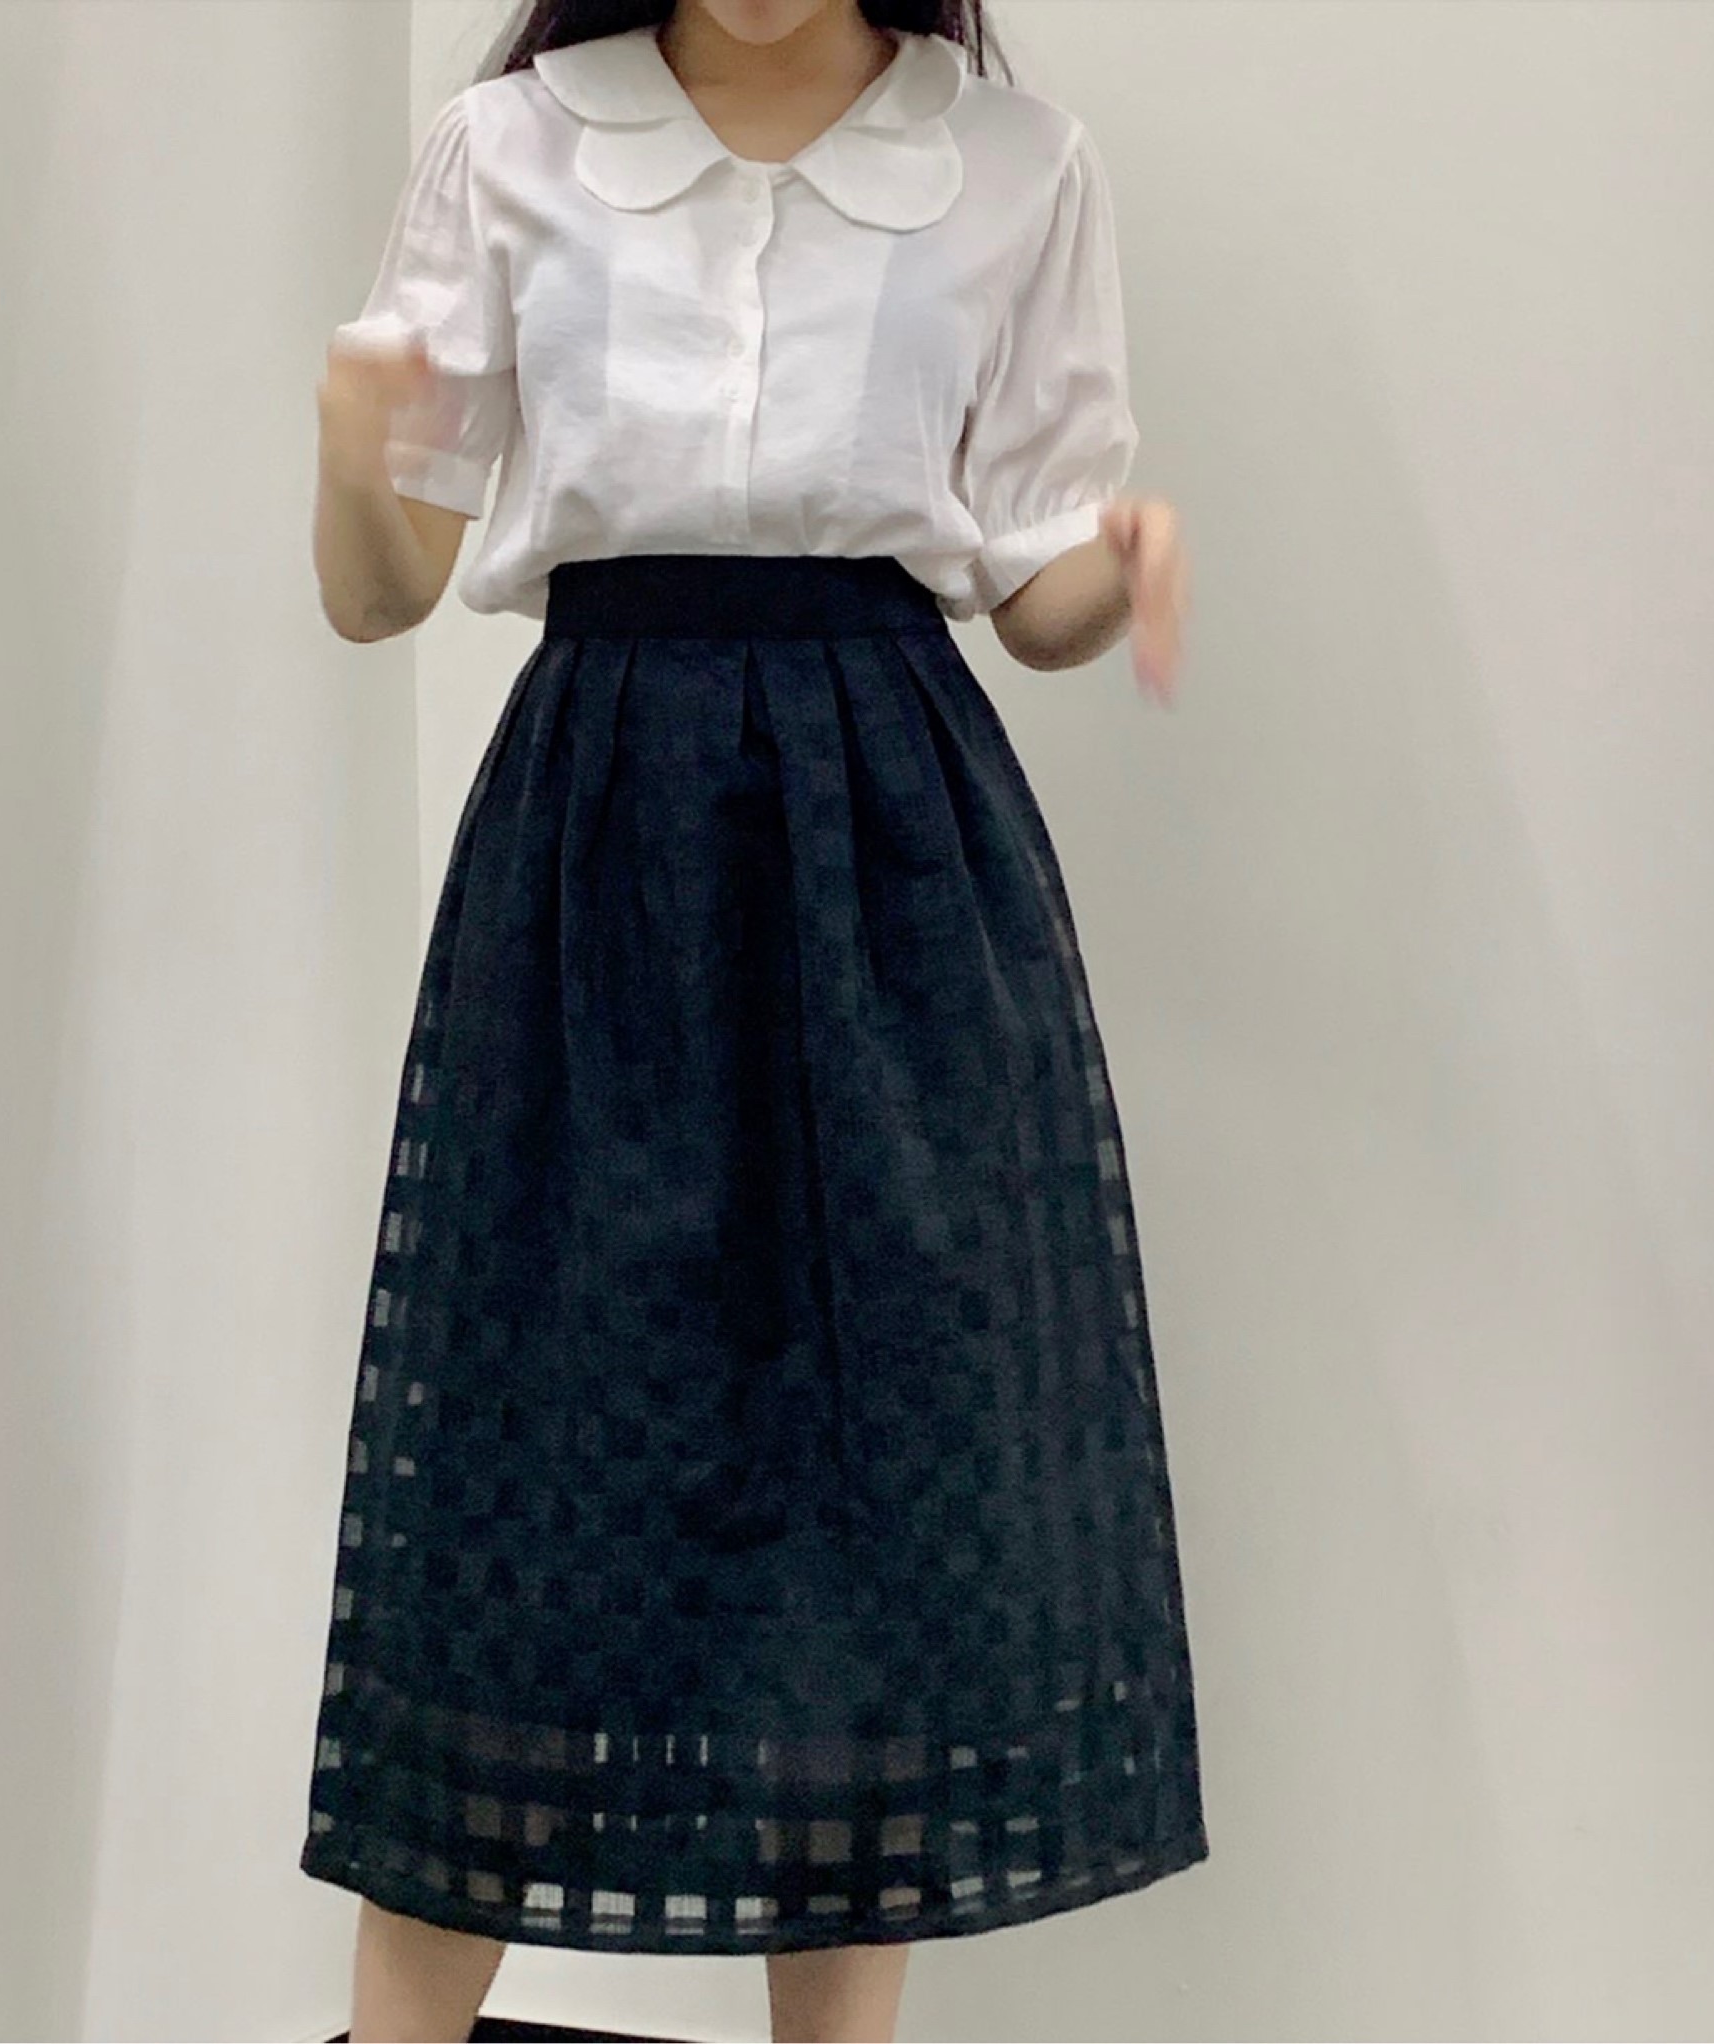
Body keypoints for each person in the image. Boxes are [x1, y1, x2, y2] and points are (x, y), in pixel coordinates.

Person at [306, 1, 1207, 2037]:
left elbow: (1033, 582)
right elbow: (379, 589)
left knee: (867, 1499)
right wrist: (355, 453)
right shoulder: (514, 147)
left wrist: (1121, 564)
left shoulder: (1016, 164)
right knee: (512, 1485)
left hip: (894, 847)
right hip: (597, 838)